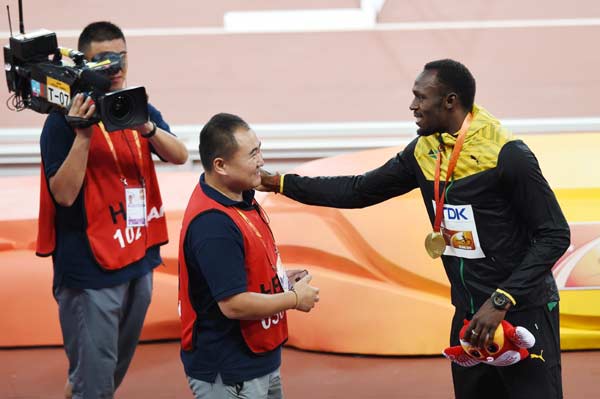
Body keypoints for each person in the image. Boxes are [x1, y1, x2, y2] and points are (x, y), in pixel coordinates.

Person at [260, 59, 570, 399]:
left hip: (520, 310)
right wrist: (280, 183)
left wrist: (501, 300)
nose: (412, 105)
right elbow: (359, 190)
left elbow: (555, 234)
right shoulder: (425, 152)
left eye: (420, 97)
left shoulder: (507, 155)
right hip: (469, 316)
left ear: (450, 101)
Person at [37, 21, 189, 399]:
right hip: (90, 269)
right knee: (95, 377)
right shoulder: (61, 121)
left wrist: (148, 128)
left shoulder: (134, 105)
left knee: (111, 367)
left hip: (137, 256)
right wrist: (84, 136)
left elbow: (181, 155)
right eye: (103, 60)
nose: (115, 66)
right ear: (83, 64)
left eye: (120, 56)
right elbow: (65, 195)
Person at [178, 113, 319, 399]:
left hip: (256, 361)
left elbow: (238, 268)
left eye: (260, 149)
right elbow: (234, 305)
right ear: (221, 165)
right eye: (252, 154)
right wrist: (294, 299)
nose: (261, 161)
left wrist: (275, 279)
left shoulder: (238, 197)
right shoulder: (213, 225)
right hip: (231, 371)